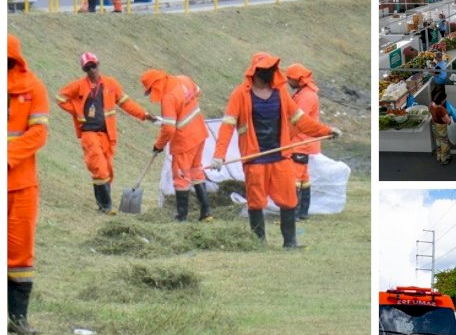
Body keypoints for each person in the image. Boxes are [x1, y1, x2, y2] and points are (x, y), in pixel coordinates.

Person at [209, 52, 341, 248]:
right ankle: (259, 243)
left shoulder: (281, 93)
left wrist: (326, 130)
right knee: (256, 202)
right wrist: (218, 155)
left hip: (281, 156)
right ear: (255, 72)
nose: (271, 73)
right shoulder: (240, 94)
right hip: (255, 158)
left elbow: (301, 121)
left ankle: (290, 242)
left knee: (289, 199)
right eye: (266, 70)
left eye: (273, 69)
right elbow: (227, 126)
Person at [57, 52, 156, 214]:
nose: (91, 70)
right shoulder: (79, 85)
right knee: (100, 168)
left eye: (93, 66)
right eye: (87, 68)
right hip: (89, 134)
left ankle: (102, 206)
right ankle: (107, 207)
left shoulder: (111, 84)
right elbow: (60, 98)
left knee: (107, 171)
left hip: (107, 135)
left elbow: (127, 104)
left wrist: (144, 115)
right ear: (84, 70)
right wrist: (77, 111)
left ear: (98, 64)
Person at [8, 34, 50, 335]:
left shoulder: (33, 87)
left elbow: (38, 134)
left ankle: (17, 318)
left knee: (21, 251)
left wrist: (6, 158)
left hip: (21, 185)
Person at [140, 69, 213, 223]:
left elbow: (168, 128)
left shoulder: (168, 97)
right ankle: (206, 212)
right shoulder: (183, 78)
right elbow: (197, 91)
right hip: (199, 133)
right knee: (196, 171)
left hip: (185, 141)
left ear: (156, 85)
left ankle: (181, 217)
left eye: (151, 90)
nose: (152, 94)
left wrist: (159, 145)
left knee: (181, 177)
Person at [285, 62, 322, 221]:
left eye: (290, 79)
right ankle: (303, 212)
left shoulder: (305, 97)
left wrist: (285, 137)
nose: (288, 82)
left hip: (300, 142)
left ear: (298, 80)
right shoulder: (305, 92)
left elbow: (298, 121)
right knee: (303, 176)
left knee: (295, 177)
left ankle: (294, 213)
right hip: (304, 141)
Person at [430, 86, 452, 166]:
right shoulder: (440, 109)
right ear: (442, 100)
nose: (445, 101)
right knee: (444, 142)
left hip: (435, 125)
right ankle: (445, 158)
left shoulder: (432, 105)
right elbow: (447, 120)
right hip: (441, 127)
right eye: (445, 99)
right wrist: (450, 117)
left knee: (438, 141)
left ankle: (438, 156)